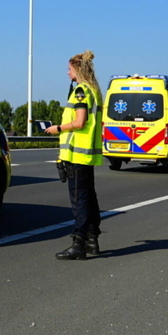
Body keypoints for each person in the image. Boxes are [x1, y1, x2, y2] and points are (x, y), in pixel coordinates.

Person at [44, 50, 103, 260]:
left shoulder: (80, 91)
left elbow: (79, 122)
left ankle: (78, 242)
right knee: (89, 197)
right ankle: (92, 240)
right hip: (86, 155)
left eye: (69, 69)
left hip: (77, 155)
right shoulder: (94, 91)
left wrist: (58, 128)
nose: (67, 73)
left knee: (80, 200)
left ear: (77, 70)